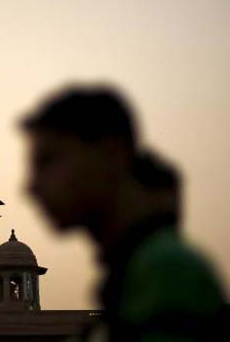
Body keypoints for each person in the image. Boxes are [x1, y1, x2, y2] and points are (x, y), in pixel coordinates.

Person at [19, 85, 226, 342]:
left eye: (48, 161)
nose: (30, 187)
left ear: (110, 154)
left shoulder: (166, 269)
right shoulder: (133, 274)